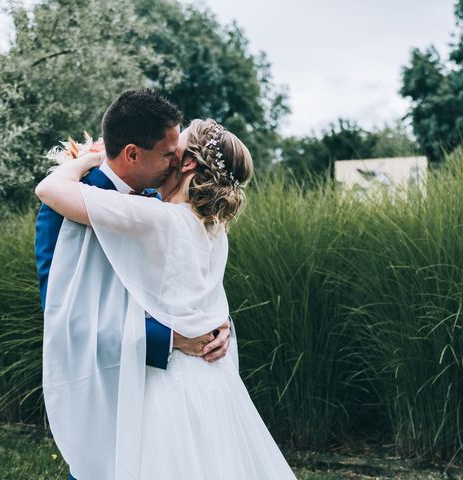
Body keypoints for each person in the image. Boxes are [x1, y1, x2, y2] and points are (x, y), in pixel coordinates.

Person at [36, 114, 297, 478]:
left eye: (177, 147)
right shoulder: (214, 227)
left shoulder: (157, 216)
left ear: (187, 161)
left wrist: (91, 158)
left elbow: (49, 190)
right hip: (210, 383)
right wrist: (221, 327)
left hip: (160, 386)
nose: (170, 153)